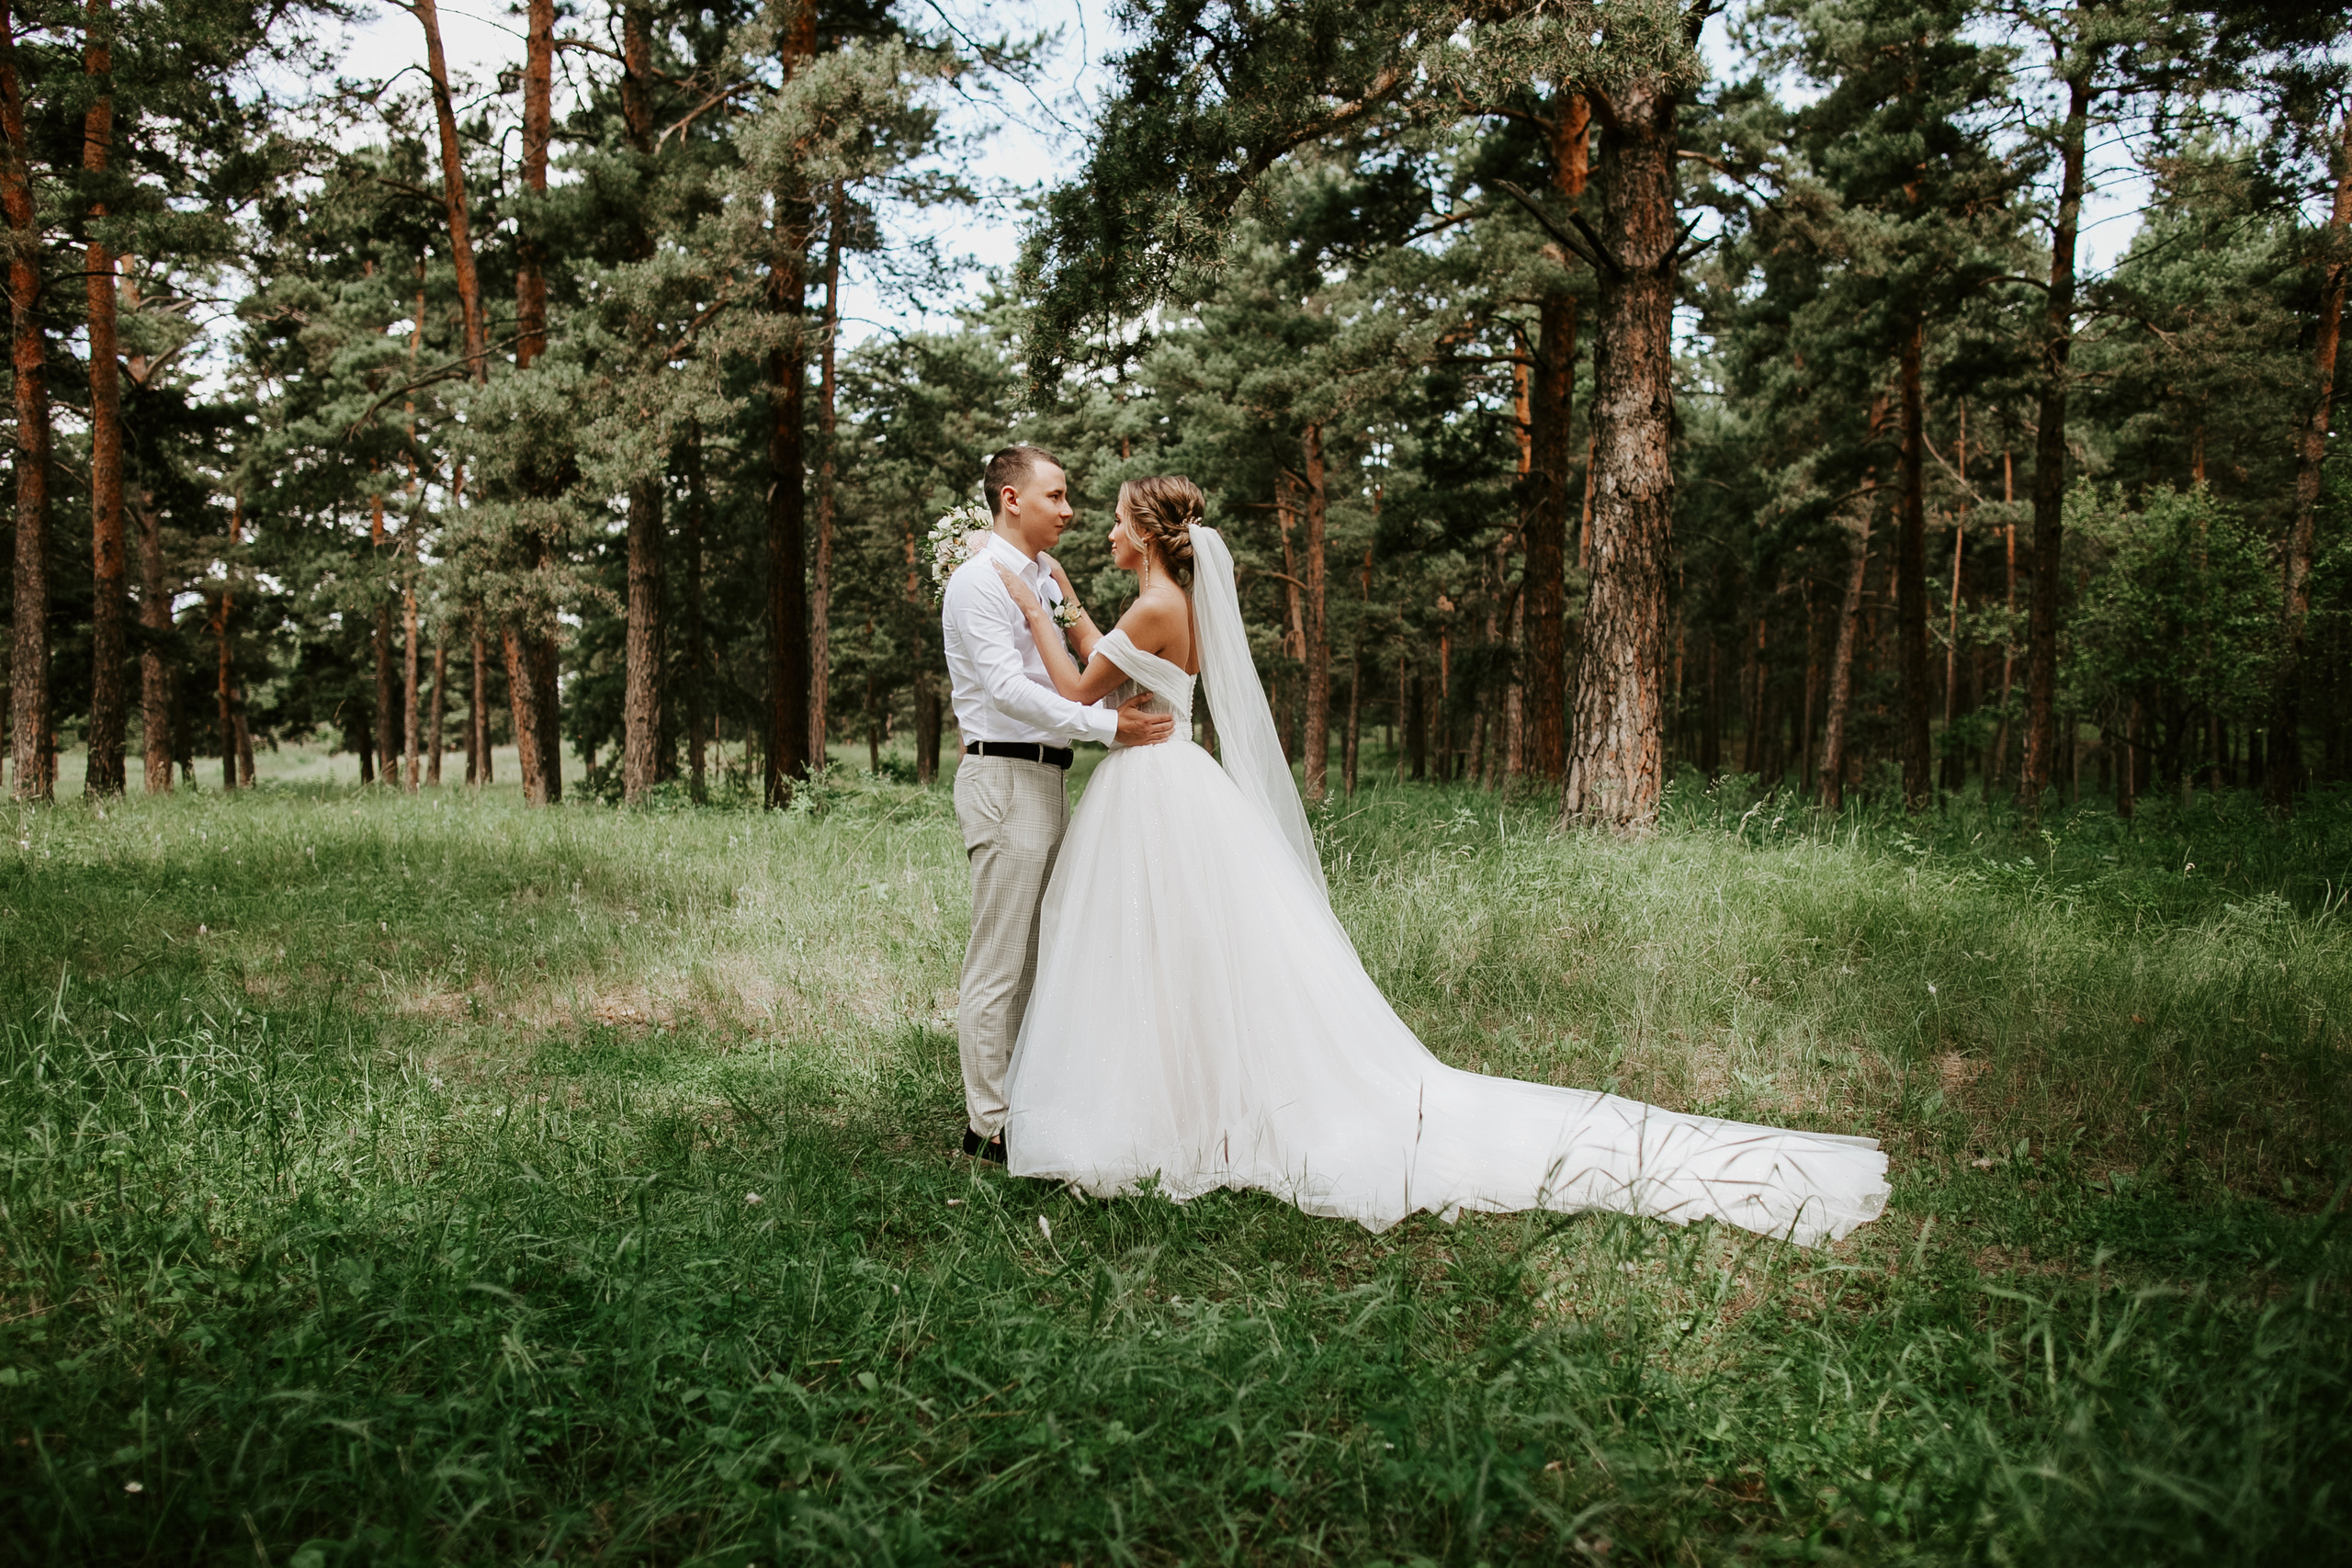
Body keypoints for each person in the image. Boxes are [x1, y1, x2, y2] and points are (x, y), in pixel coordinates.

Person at [990, 475, 1890, 1247]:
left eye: (1112, 518)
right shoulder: (1164, 605)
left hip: (1151, 793)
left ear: (1145, 535)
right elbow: (1117, 665)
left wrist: (1035, 604)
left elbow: (1077, 688)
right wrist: (1070, 599)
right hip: (1173, 782)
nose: (1102, 528)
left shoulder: (1154, 604)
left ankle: (1155, 1120)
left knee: (1150, 957)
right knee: (1179, 961)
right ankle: (1184, 1110)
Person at [940, 445, 1175, 1164]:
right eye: (1057, 496)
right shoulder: (979, 583)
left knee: (1040, 956)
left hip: (1048, 777)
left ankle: (1022, 1097)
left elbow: (1080, 667)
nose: (1070, 510)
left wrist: (1105, 684)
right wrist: (1110, 726)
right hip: (1004, 776)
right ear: (1012, 499)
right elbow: (1009, 691)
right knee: (999, 961)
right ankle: (987, 1125)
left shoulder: (1043, 578)